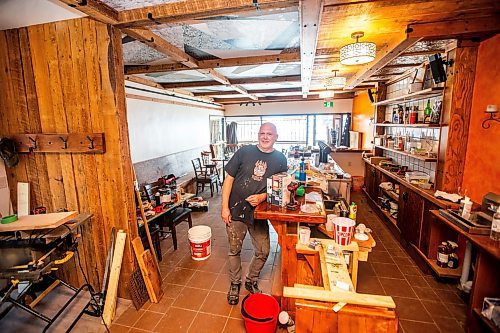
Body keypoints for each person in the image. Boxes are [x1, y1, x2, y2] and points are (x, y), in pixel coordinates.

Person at [221, 122, 288, 305]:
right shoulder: (244, 152)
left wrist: (262, 197)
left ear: (276, 137)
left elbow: (279, 187)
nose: (265, 137)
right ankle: (235, 284)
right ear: (258, 134)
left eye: (269, 134)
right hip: (235, 209)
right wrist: (224, 207)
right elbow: (228, 180)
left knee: (263, 251)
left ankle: (251, 280)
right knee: (234, 250)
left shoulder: (280, 159)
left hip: (258, 214)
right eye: (262, 133)